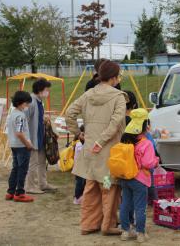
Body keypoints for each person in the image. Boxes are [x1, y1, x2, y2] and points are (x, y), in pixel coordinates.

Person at [65, 60, 127, 236]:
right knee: (109, 188)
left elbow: (69, 114)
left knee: (91, 189)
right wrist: (102, 140)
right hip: (108, 153)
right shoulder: (118, 97)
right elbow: (116, 123)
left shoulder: (88, 94)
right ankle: (108, 225)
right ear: (114, 77)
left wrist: (78, 133)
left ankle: (88, 225)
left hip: (90, 152)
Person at [119, 108, 159, 243]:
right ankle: (140, 234)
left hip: (125, 178)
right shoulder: (146, 144)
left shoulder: (126, 140)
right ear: (145, 124)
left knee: (125, 204)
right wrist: (156, 161)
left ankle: (125, 231)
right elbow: (148, 163)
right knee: (140, 207)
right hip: (140, 180)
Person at [25, 78, 57, 194]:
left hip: (41, 137)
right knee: (33, 163)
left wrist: (43, 119)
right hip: (32, 138)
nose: (48, 92)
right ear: (40, 90)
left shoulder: (39, 101)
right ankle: (30, 186)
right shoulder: (31, 102)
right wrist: (27, 139)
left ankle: (43, 184)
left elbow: (37, 118)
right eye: (47, 89)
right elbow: (25, 120)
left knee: (42, 162)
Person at [5, 91, 35, 202]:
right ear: (20, 103)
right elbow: (19, 132)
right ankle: (20, 193)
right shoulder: (21, 115)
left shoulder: (12, 113)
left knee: (16, 168)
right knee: (22, 169)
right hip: (22, 146)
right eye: (26, 103)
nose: (27, 106)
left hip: (14, 144)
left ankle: (10, 192)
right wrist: (28, 144)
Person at [73, 125, 86, 205]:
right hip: (79, 168)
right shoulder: (78, 144)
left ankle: (81, 196)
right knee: (79, 183)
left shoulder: (82, 144)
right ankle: (77, 197)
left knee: (83, 183)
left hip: (83, 168)